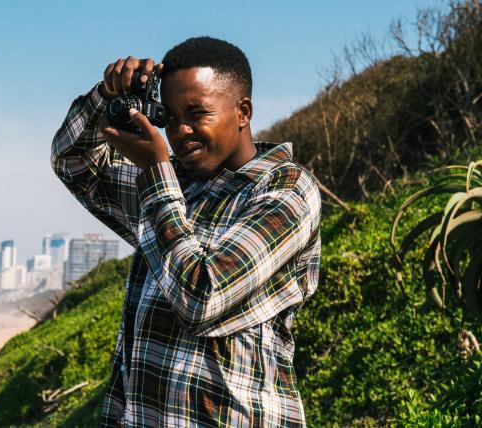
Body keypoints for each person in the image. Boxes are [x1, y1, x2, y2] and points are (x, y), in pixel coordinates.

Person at [51, 36, 321, 427]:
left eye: (197, 114)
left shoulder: (286, 189)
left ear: (243, 111)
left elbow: (202, 296)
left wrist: (157, 174)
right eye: (171, 117)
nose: (180, 132)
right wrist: (103, 95)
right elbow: (72, 161)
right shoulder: (178, 183)